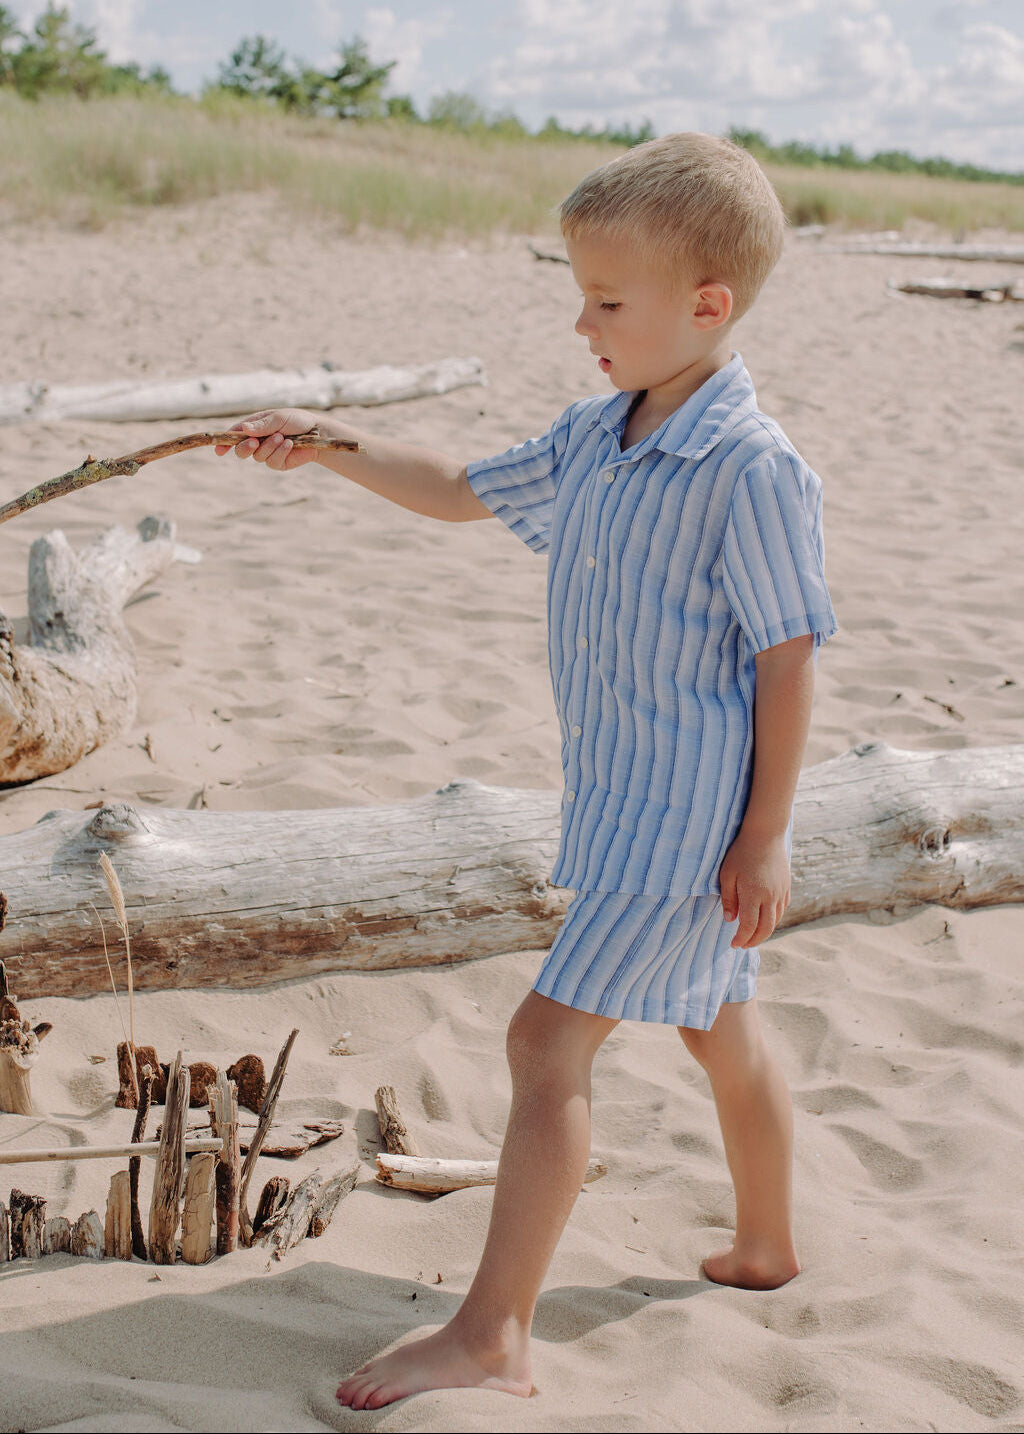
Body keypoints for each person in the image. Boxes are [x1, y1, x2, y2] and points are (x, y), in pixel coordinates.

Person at [216, 132, 837, 1411]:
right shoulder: (597, 432)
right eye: (580, 292)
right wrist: (332, 441)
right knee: (723, 1020)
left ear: (706, 305)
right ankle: (768, 1244)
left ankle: (494, 1332)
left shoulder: (750, 467)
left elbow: (787, 658)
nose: (580, 320)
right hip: (618, 799)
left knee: (545, 1042)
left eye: (606, 301)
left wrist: (763, 836)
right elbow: (456, 490)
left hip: (688, 817)